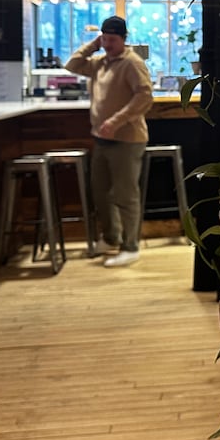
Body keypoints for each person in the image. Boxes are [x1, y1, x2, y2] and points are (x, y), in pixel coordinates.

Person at [64, 15, 153, 268]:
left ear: (124, 39)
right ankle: (111, 237)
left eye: (112, 39)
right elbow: (71, 65)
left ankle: (130, 246)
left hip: (127, 138)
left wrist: (116, 121)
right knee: (101, 192)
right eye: (104, 38)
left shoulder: (132, 63)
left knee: (125, 194)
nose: (107, 44)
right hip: (101, 138)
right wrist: (93, 45)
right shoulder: (99, 62)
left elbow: (145, 97)